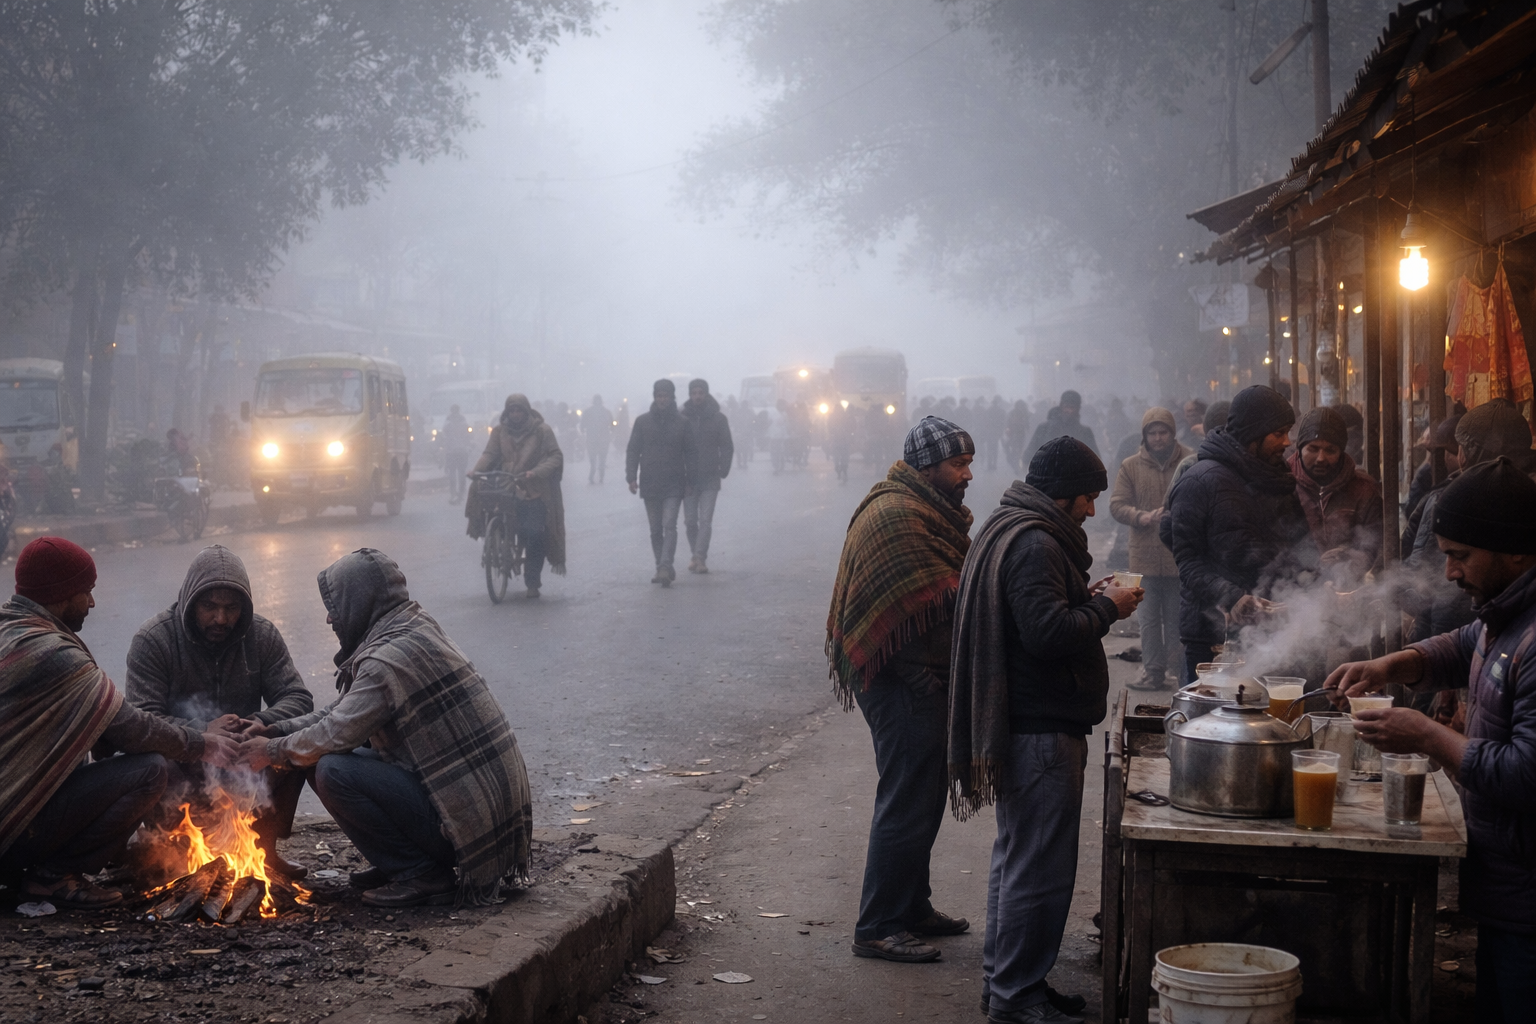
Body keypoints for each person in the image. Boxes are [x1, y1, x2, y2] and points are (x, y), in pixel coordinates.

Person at [1324, 458, 1536, 1023]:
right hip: (1507, 883)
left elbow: (1524, 775)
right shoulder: (1507, 611)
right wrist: (1396, 663)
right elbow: (1468, 643)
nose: (1447, 573)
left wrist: (1424, 734)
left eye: (1461, 556)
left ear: (1515, 550)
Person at [949, 437, 1142, 1024]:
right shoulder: (1035, 542)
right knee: (1038, 870)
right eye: (1087, 498)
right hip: (1040, 731)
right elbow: (1047, 634)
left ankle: (1007, 983)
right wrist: (1110, 610)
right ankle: (1016, 997)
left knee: (1019, 860)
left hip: (1032, 723)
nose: (1090, 510)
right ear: (1063, 493)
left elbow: (1038, 615)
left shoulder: (1022, 527)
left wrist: (1085, 596)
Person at [236, 549, 533, 908]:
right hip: (483, 815)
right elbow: (344, 712)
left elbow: (336, 731)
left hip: (466, 826)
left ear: (361, 602)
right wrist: (276, 729)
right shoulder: (411, 626)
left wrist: (271, 751)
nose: (331, 617)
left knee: (330, 768)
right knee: (321, 756)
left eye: (337, 604)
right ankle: (399, 863)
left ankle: (423, 874)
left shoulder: (385, 660)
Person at [0, 538, 233, 908]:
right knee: (150, 770)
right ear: (62, 595)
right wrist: (202, 742)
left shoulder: (11, 630)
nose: (91, 603)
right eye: (86, 592)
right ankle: (54, 877)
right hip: (13, 831)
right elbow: (130, 727)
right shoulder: (53, 654)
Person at [826, 416, 976, 964]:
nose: (966, 475)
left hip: (919, 678)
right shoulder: (897, 514)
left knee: (925, 794)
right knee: (907, 799)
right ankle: (879, 925)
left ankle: (912, 906)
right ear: (928, 466)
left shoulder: (925, 507)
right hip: (898, 681)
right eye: (958, 465)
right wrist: (921, 678)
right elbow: (901, 608)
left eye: (968, 464)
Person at [125, 544, 314, 878]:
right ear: (189, 601)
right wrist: (202, 734)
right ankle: (169, 853)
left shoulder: (262, 635)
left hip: (244, 765)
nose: (221, 618)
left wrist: (262, 724)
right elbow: (142, 721)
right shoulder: (154, 640)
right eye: (209, 606)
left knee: (296, 747)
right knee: (151, 763)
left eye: (232, 608)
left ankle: (262, 851)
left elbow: (297, 698)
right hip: (183, 764)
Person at [1163, 385, 1317, 680]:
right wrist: (1231, 597)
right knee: (1212, 720)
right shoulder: (1199, 481)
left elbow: (1300, 546)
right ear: (1252, 433)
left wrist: (1318, 583)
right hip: (1213, 635)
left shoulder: (1277, 478)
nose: (1287, 442)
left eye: (1288, 431)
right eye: (1278, 433)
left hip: (1274, 629)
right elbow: (1188, 561)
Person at [1402, 399, 1534, 641]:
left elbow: (1419, 568)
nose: (1450, 569)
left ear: (1466, 452)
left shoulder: (1453, 497)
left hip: (1454, 622)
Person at [1110, 409, 1191, 691]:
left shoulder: (1190, 461)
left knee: (1176, 619)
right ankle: (1153, 671)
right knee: (1147, 619)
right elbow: (1116, 505)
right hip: (1142, 557)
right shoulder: (1130, 466)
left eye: (1163, 432)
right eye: (1152, 433)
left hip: (1179, 557)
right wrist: (1140, 516)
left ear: (1172, 433)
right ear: (1145, 436)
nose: (1158, 438)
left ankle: (1179, 672)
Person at [469, 394, 566, 599]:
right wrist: (476, 471)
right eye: (511, 410)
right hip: (506, 486)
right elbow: (489, 455)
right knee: (487, 501)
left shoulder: (542, 431)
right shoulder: (499, 432)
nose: (515, 414)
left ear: (526, 411)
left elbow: (555, 456)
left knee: (534, 535)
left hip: (534, 490)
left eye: (519, 410)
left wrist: (537, 472)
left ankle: (532, 582)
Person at [1287, 407, 1382, 588]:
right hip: (1297, 592)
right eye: (1313, 449)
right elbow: (1276, 547)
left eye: (1330, 450)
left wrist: (1348, 555)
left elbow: (1377, 543)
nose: (1321, 458)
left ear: (1341, 451)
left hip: (1351, 591)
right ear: (1299, 448)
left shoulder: (1364, 489)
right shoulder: (1284, 486)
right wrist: (1313, 566)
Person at [626, 379, 695, 586]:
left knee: (669, 525)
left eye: (665, 395)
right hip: (650, 482)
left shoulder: (683, 423)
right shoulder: (642, 422)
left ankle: (665, 566)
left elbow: (691, 454)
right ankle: (661, 566)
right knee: (655, 529)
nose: (662, 399)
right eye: (659, 395)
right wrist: (631, 476)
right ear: (654, 397)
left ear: (672, 397)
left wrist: (690, 480)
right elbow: (633, 450)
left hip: (674, 483)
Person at [681, 379, 734, 574]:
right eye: (693, 393)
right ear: (690, 394)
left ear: (706, 394)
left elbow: (727, 445)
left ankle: (700, 557)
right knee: (690, 521)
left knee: (705, 520)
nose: (697, 396)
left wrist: (723, 468)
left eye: (700, 393)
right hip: (688, 478)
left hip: (710, 476)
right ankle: (696, 554)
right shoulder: (682, 417)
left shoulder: (718, 418)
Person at [1025, 390, 1099, 466]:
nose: (1069, 411)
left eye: (1072, 407)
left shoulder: (1085, 432)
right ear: (1061, 406)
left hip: (1074, 475)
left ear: (1078, 409)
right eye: (1066, 406)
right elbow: (1029, 454)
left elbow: (1096, 462)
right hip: (1048, 474)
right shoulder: (1044, 429)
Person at [1171, 400, 1229, 487]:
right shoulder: (1187, 462)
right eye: (1188, 412)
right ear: (1184, 415)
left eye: (1194, 411)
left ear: (1202, 415)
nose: (1191, 414)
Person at [441, 404, 471, 504]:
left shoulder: (448, 421)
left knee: (453, 473)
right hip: (461, 451)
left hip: (452, 452)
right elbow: (469, 435)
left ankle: (454, 493)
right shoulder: (463, 421)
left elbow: (444, 435)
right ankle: (460, 493)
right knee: (461, 473)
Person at [583, 394, 613, 485]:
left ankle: (598, 476)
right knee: (598, 458)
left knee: (599, 458)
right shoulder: (606, 412)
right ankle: (597, 476)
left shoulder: (588, 411)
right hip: (599, 438)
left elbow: (582, 423)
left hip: (596, 438)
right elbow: (612, 424)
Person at [1004, 400, 1031, 473]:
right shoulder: (1024, 413)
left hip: (1015, 434)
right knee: (1018, 450)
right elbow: (1027, 424)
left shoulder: (1013, 412)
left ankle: (1015, 464)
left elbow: (1008, 423)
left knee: (1015, 450)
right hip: (1020, 434)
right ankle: (1017, 465)